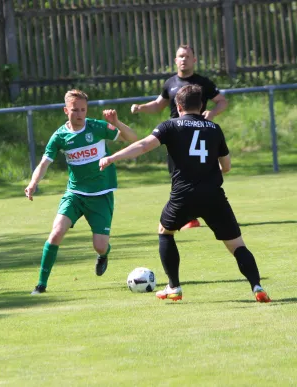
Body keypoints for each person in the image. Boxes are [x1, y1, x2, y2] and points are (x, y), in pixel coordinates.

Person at [99, 85, 270, 303]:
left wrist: (113, 158)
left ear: (178, 106)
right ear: (201, 105)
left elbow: (142, 146)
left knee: (165, 231)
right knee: (237, 245)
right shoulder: (214, 128)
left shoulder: (170, 126)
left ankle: (174, 287)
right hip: (213, 196)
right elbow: (226, 166)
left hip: (184, 195)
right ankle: (257, 286)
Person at [25, 89, 138, 295]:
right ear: (65, 110)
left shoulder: (97, 127)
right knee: (56, 233)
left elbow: (133, 138)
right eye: (75, 110)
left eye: (83, 110)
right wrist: (33, 183)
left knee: (100, 246)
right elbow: (44, 163)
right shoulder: (60, 136)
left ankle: (104, 254)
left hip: (101, 194)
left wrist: (117, 122)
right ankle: (41, 285)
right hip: (75, 194)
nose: (79, 114)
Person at [130, 44, 229, 230]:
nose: (183, 59)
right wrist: (141, 107)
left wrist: (213, 113)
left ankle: (199, 213)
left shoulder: (203, 83)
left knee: (201, 171)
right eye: (180, 56)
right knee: (177, 174)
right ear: (175, 60)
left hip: (198, 133)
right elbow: (159, 105)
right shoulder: (170, 83)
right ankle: (189, 215)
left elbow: (222, 101)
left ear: (194, 60)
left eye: (187, 56)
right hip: (176, 136)